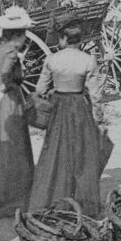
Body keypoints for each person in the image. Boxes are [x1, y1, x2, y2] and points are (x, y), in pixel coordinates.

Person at [28, 15, 105, 218]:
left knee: (55, 150)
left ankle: (55, 197)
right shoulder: (88, 60)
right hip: (80, 107)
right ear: (79, 41)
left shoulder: (52, 60)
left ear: (62, 40)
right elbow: (96, 94)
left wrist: (52, 92)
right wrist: (98, 118)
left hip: (59, 108)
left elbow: (41, 89)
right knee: (81, 152)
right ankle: (83, 202)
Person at [0, 7, 36, 219]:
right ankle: (14, 197)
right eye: (24, 34)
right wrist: (10, 82)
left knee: (0, 143)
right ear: (18, 35)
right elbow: (6, 72)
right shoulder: (13, 52)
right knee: (14, 144)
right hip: (8, 99)